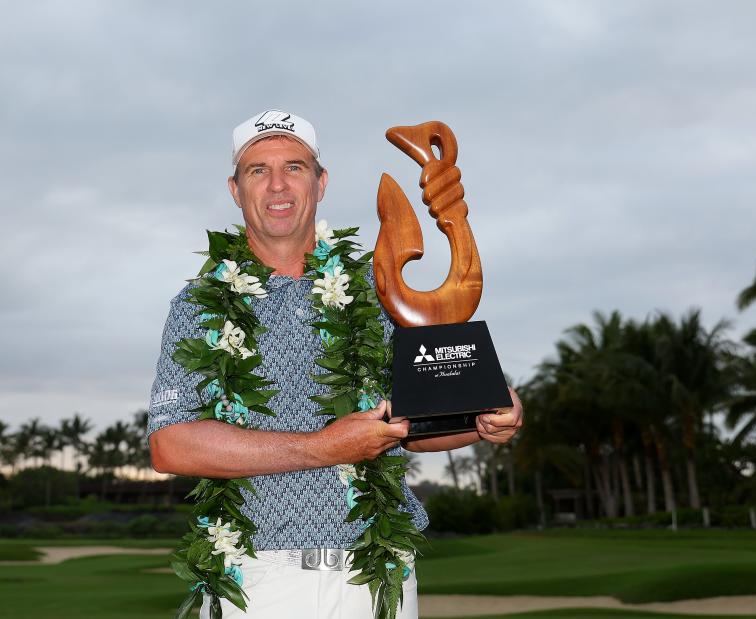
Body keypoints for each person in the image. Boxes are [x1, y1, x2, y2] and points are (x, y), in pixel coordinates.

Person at [147, 109, 523, 618]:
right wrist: (324, 447)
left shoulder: (381, 292)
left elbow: (412, 423)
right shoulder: (197, 305)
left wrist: (480, 418)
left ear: (321, 183)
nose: (278, 185)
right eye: (258, 170)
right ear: (236, 190)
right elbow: (171, 444)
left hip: (379, 578)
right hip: (258, 581)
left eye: (295, 167)